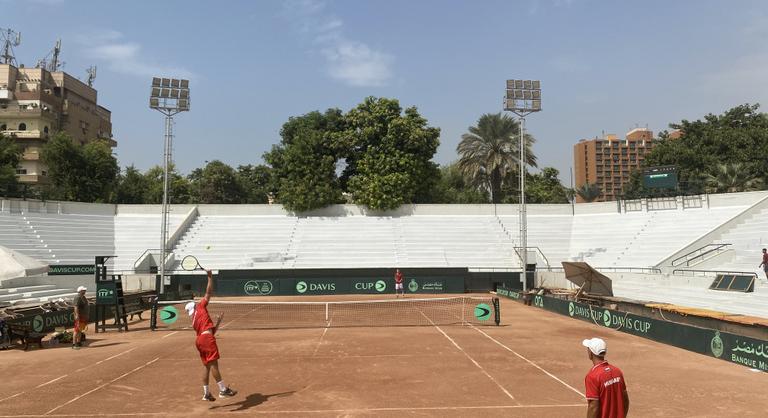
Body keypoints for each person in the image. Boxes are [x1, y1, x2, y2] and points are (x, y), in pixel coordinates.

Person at [184, 269, 237, 402]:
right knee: (214, 365)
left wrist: (218, 322)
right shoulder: (200, 308)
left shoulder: (194, 321)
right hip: (206, 339)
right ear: (195, 307)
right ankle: (223, 390)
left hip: (200, 340)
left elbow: (210, 332)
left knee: (207, 366)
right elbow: (208, 292)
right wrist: (209, 277)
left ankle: (206, 393)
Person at [583, 337, 629, 418]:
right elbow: (625, 400)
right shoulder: (617, 372)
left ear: (591, 352)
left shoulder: (592, 376)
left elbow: (593, 407)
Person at [72, 286, 88, 350]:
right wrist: (77, 315)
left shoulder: (83, 297)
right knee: (76, 329)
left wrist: (86, 315)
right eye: (83, 290)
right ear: (80, 291)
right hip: (79, 316)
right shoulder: (77, 297)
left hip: (83, 316)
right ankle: (74, 344)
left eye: (85, 290)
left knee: (80, 329)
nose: (85, 291)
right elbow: (76, 307)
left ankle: (79, 342)